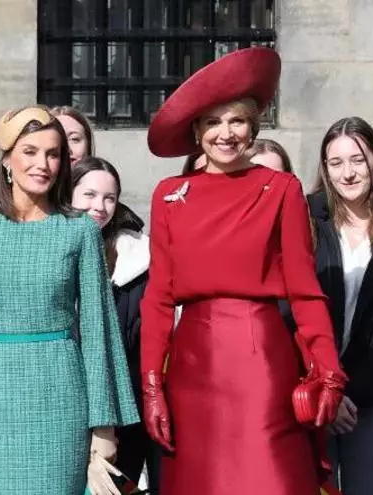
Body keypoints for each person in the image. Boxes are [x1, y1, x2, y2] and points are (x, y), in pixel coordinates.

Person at [142, 47, 346, 495]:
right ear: (196, 131)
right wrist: (153, 384)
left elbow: (305, 291)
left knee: (267, 478)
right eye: (213, 122)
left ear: (253, 126)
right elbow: (157, 297)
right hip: (192, 365)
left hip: (261, 364)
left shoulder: (280, 188)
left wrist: (329, 370)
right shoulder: (169, 194)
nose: (225, 133)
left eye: (236, 120)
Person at [0, 105, 138, 495]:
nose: (43, 163)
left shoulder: (78, 229)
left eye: (53, 153)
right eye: (30, 151)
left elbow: (98, 331)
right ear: (6, 160)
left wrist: (102, 426)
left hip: (61, 395)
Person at [304, 116, 373, 494]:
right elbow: (292, 310)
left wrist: (351, 395)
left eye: (358, 159)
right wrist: (325, 389)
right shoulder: (306, 220)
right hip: (311, 389)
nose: (348, 173)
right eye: (336, 163)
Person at [70, 156, 156, 491]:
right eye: (89, 195)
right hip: (63, 403)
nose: (100, 206)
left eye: (109, 198)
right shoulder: (49, 249)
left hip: (123, 410)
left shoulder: (137, 260)